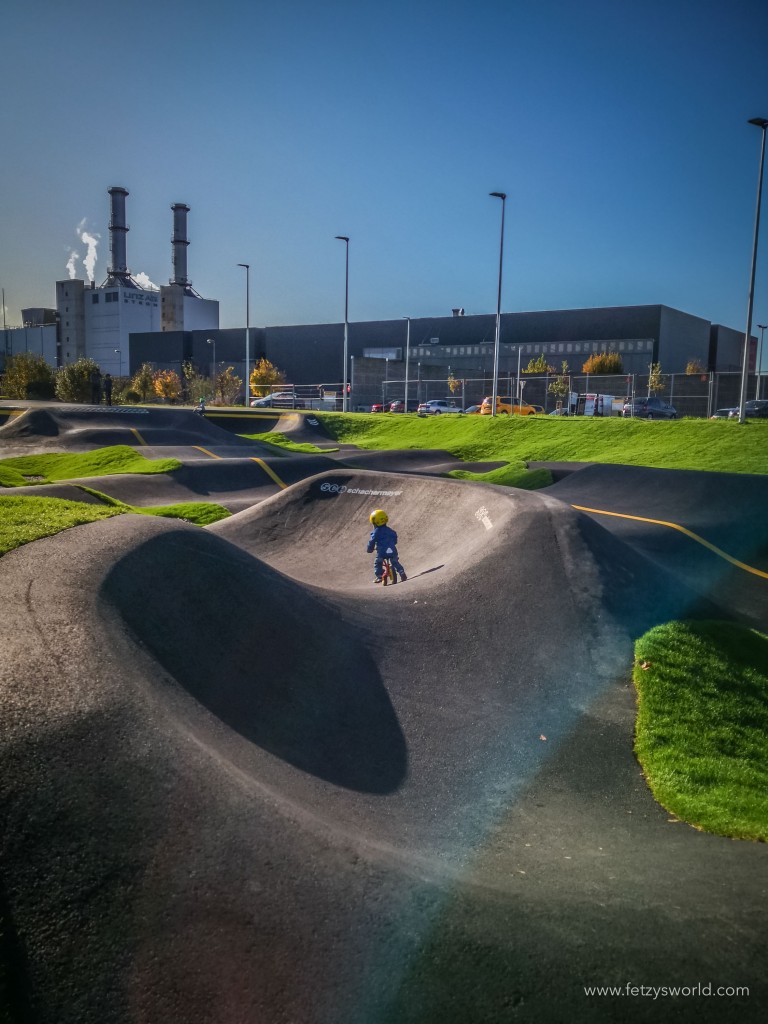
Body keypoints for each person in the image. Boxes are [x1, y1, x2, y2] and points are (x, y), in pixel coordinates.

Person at [367, 509, 407, 584]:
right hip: (392, 550)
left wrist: (370, 549)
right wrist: (393, 543)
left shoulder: (376, 532)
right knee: (395, 562)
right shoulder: (390, 530)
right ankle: (401, 572)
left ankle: (379, 576)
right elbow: (395, 536)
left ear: (375, 522)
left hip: (382, 552)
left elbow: (372, 541)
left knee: (378, 563)